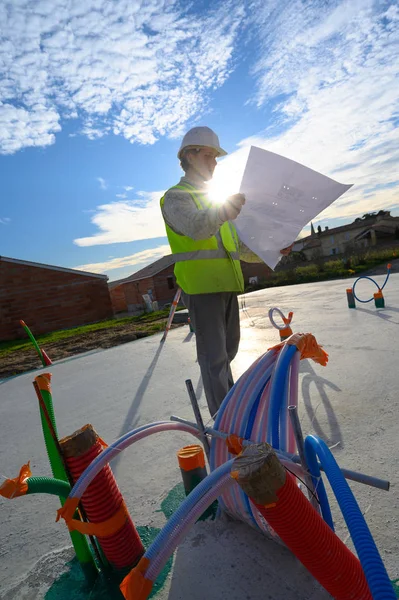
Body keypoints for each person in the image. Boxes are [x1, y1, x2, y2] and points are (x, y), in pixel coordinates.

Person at [160, 126, 291, 418]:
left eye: (216, 157)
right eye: (209, 155)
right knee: (214, 360)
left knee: (228, 352)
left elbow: (238, 247)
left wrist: (272, 250)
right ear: (189, 156)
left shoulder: (213, 199)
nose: (214, 162)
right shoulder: (176, 198)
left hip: (228, 284)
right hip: (201, 287)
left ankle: (231, 408)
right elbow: (196, 228)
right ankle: (225, 422)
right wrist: (223, 211)